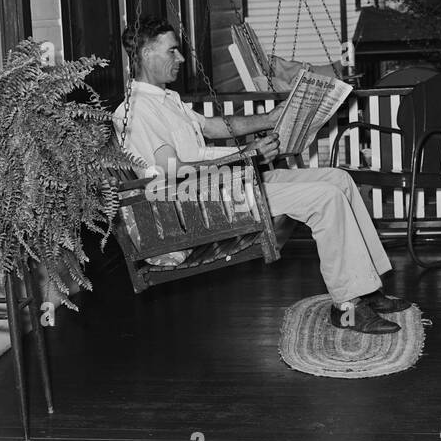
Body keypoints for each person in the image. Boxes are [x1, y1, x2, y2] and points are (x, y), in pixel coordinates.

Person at [111, 17, 410, 335]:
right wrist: (249, 156)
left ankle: (366, 288)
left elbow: (218, 127)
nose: (181, 59)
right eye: (173, 51)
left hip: (227, 185)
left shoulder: (165, 99)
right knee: (326, 198)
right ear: (145, 53)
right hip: (203, 204)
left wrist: (272, 118)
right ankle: (347, 305)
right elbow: (175, 172)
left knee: (338, 180)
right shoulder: (138, 110)